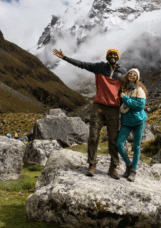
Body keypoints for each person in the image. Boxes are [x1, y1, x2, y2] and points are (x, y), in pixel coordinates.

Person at [53, 48, 127, 179]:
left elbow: (130, 87)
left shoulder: (123, 72)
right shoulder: (99, 67)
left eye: (115, 55)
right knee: (93, 137)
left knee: (113, 139)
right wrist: (65, 58)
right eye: (110, 54)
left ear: (118, 57)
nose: (113, 56)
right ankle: (92, 164)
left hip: (113, 109)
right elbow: (82, 64)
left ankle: (113, 167)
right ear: (107, 56)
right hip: (98, 106)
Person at [116, 68, 148, 182]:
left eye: (135, 74)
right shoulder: (123, 88)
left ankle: (133, 170)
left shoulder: (139, 90)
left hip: (138, 121)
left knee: (136, 146)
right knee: (119, 144)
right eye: (130, 73)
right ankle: (129, 165)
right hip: (126, 121)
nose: (132, 75)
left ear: (137, 78)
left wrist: (124, 98)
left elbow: (139, 106)